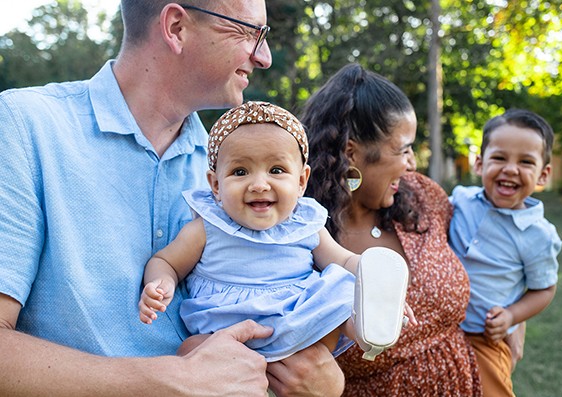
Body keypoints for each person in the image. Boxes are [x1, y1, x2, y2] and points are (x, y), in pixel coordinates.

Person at [0, 1, 345, 396]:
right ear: (177, 26)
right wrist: (170, 381)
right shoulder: (23, 126)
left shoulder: (235, 173)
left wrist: (323, 384)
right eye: (250, 32)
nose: (263, 56)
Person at [139, 100, 413, 363]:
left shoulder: (305, 227)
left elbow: (342, 260)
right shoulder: (207, 228)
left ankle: (370, 328)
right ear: (216, 185)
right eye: (240, 171)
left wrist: (376, 283)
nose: (259, 184)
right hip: (223, 331)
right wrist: (160, 283)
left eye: (277, 170)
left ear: (302, 181)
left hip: (295, 322)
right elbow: (167, 262)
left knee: (343, 286)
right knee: (188, 350)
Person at [301, 62, 483, 396]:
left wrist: (515, 318)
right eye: (404, 150)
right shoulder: (304, 238)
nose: (413, 163)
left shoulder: (423, 197)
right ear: (351, 152)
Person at [449, 108, 562, 397]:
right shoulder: (461, 200)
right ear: (479, 163)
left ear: (543, 175)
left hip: (484, 336)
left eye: (525, 162)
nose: (510, 169)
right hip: (439, 329)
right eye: (499, 158)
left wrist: (512, 317)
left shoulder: (538, 234)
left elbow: (544, 290)